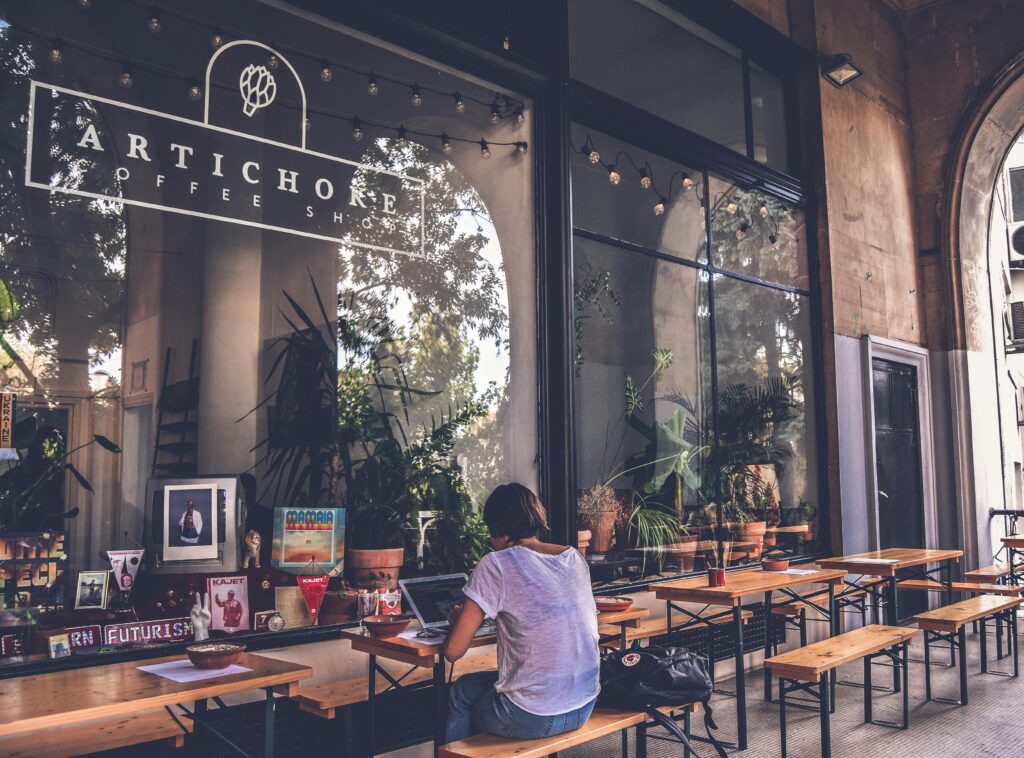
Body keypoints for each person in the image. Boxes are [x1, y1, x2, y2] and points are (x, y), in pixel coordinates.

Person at [442, 483, 599, 744]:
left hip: (533, 715)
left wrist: (457, 619)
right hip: (584, 705)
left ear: (498, 530)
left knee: (461, 694)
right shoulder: (573, 558)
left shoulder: (496, 563)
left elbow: (452, 651)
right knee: (479, 687)